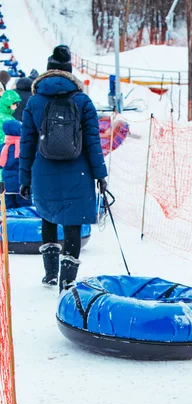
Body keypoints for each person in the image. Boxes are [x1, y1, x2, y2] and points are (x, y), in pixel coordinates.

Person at [19, 45, 107, 290]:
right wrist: (100, 175)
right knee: (73, 223)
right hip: (78, 172)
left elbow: (27, 143)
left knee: (48, 217)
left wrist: (24, 177)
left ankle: (50, 274)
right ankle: (67, 281)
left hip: (43, 171)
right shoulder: (82, 101)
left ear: (48, 71)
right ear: (69, 72)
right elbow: (92, 142)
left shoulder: (34, 102)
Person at [0, 119, 31, 209]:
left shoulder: (3, 147)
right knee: (26, 208)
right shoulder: (25, 146)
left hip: (6, 185)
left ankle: (10, 223)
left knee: (8, 209)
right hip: (22, 183)